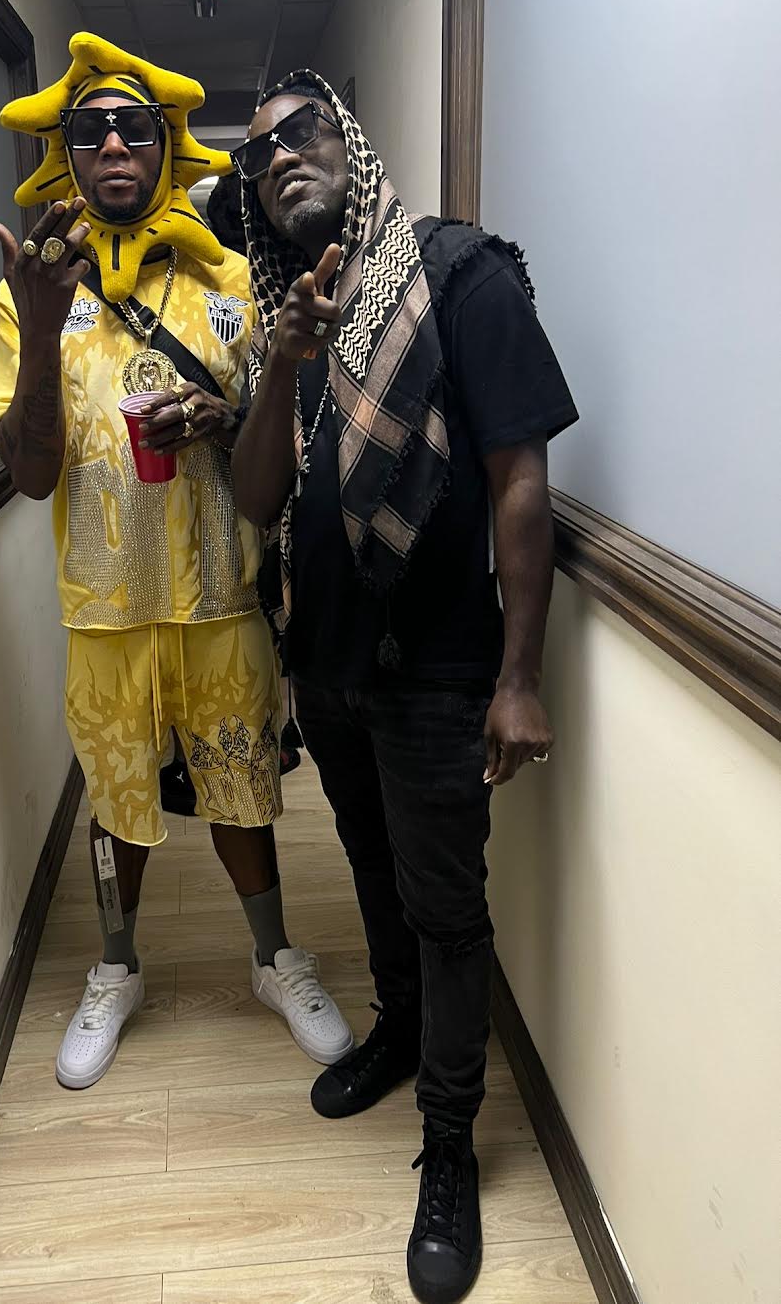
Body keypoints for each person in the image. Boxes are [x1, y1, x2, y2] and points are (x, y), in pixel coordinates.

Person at [230, 71, 578, 1304]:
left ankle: (448, 1143)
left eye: (302, 131)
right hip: (326, 663)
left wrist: (519, 675)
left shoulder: (458, 273)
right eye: (259, 154)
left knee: (444, 908)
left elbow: (517, 481)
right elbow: (257, 498)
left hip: (437, 670)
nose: (281, 158)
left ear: (351, 145)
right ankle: (394, 1030)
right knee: (370, 871)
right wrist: (283, 358)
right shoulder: (287, 316)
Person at [0, 36, 352, 1093]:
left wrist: (220, 416)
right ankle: (116, 967)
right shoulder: (28, 294)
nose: (112, 145)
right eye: (90, 130)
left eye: (133, 128)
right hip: (104, 608)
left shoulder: (231, 279)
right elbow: (31, 477)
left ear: (165, 146)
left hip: (222, 595)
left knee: (244, 789)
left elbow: (275, 440)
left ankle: (275, 959)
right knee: (116, 801)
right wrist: (40, 329)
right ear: (64, 154)